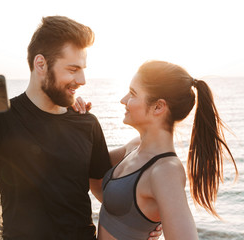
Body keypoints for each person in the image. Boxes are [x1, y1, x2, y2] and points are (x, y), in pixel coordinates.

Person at [0, 16, 162, 240]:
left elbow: (105, 194)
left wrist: (140, 226)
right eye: (73, 69)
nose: (82, 80)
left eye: (83, 69)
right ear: (41, 64)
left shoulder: (86, 122)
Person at [87, 60, 238, 240]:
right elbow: (91, 170)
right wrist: (77, 116)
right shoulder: (134, 146)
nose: (123, 100)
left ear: (158, 107)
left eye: (133, 93)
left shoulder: (166, 171)